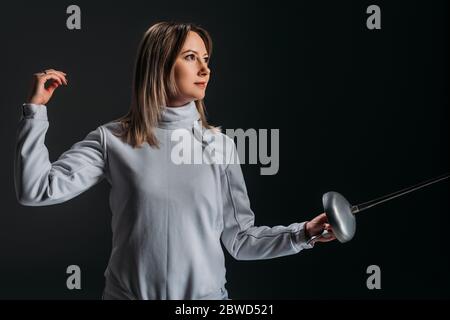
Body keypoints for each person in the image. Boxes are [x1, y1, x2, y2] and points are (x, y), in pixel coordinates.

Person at [14, 21, 336, 300]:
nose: (205, 69)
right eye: (191, 57)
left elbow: (240, 239)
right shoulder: (112, 139)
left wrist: (303, 233)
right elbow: (36, 189)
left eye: (206, 59)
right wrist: (35, 111)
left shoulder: (219, 146)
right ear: (160, 65)